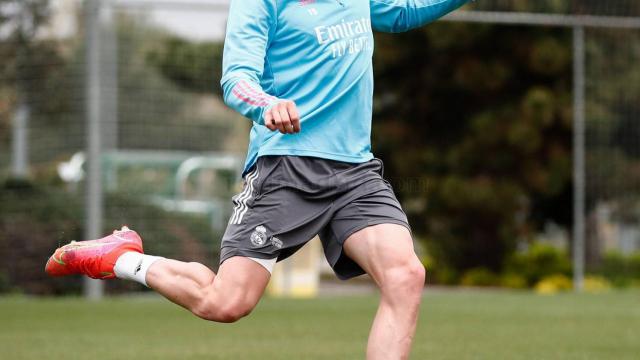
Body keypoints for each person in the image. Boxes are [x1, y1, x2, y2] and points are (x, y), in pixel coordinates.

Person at [46, 1, 470, 358]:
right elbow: (236, 78)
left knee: (405, 275)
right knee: (226, 303)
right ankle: (120, 257)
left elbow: (404, 11)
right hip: (286, 169)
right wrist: (265, 103)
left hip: (355, 171)